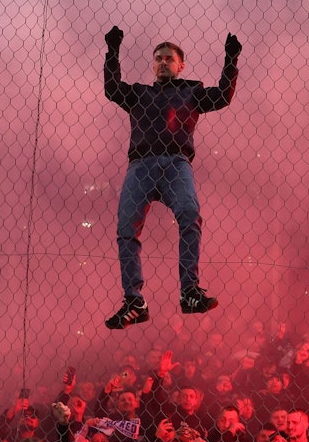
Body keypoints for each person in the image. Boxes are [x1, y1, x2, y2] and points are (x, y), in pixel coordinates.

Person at [102, 26, 242, 328]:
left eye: (169, 59)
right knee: (126, 228)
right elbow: (112, 89)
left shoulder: (191, 91)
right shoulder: (139, 93)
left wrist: (231, 60)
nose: (163, 63)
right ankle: (134, 301)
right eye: (158, 59)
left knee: (189, 213)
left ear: (181, 66)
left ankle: (189, 290)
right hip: (141, 164)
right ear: (153, 65)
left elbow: (222, 96)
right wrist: (112, 52)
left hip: (176, 163)